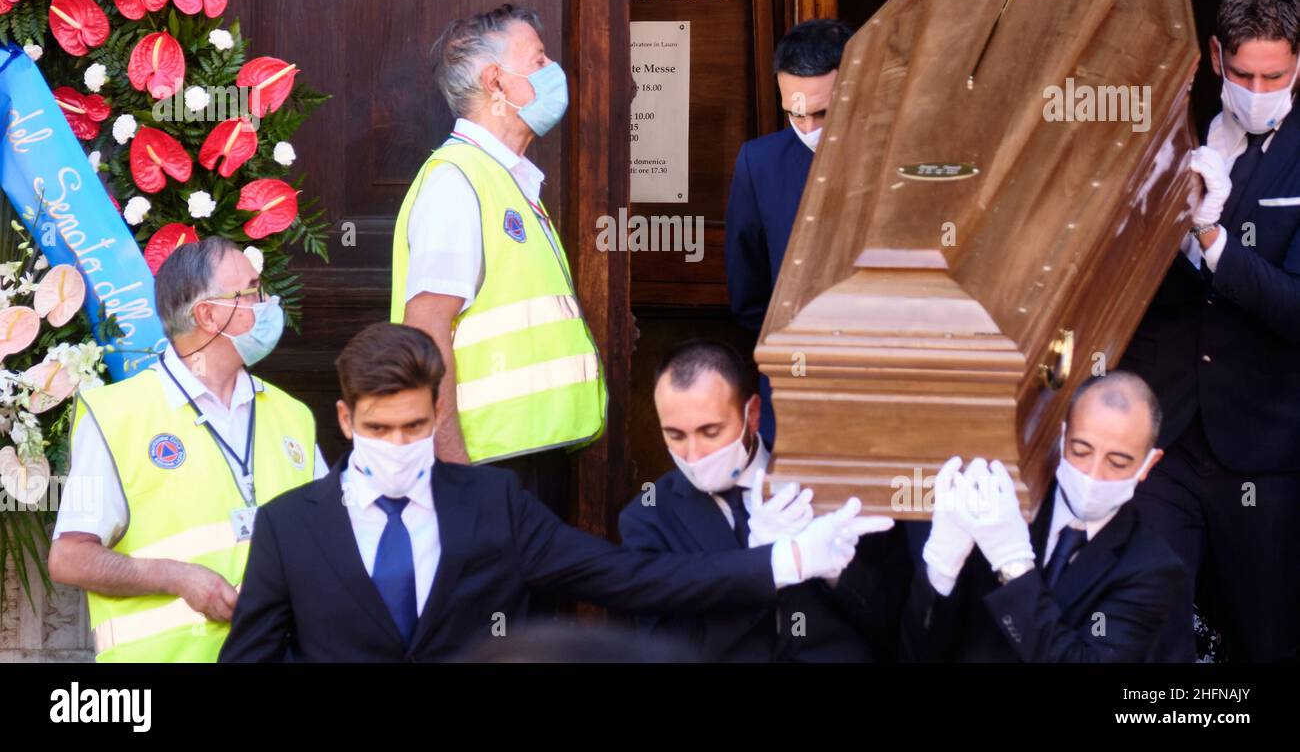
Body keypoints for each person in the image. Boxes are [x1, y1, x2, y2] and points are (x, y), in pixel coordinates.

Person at [218, 323, 880, 662]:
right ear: (344, 420)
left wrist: (783, 561)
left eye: (415, 424)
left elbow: (631, 579)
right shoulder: (289, 527)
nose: (398, 442)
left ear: (438, 411)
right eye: (378, 428)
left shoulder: (492, 502)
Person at [1119, 0, 1300, 662]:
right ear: (1218, 58)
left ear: (1297, 64)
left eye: (1275, 75)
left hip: (1267, 446)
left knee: (1266, 635)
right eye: (1245, 73)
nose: (1258, 90)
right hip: (1169, 437)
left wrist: (1215, 240)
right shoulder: (1171, 136)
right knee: (1156, 627)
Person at [47, 237, 323, 662]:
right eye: (253, 291)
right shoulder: (115, 415)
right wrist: (177, 577)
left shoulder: (293, 416)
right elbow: (68, 558)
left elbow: (336, 535)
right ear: (208, 315)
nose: (270, 301)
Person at [392, 4, 604, 517]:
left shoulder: (506, 177)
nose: (553, 71)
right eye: (538, 60)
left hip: (530, 455)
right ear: (496, 82)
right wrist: (453, 468)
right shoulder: (456, 181)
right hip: (486, 465)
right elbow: (425, 328)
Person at [619, 339, 911, 662]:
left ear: (753, 414)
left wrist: (838, 574)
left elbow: (898, 626)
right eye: (675, 435)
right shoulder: (649, 519)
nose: (693, 454)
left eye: (710, 431)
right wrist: (761, 564)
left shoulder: (831, 482)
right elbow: (667, 650)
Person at [903, 372, 1194, 663]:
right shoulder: (1004, 502)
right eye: (1081, 451)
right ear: (1063, 436)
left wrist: (1013, 566)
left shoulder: (1151, 567)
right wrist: (940, 569)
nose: (1093, 474)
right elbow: (920, 651)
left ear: (1148, 464)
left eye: (1117, 462)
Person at [724, 19, 854, 446]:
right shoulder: (758, 163)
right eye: (795, 113)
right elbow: (749, 291)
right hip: (792, 384)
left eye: (822, 113)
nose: (808, 128)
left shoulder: (901, 157)